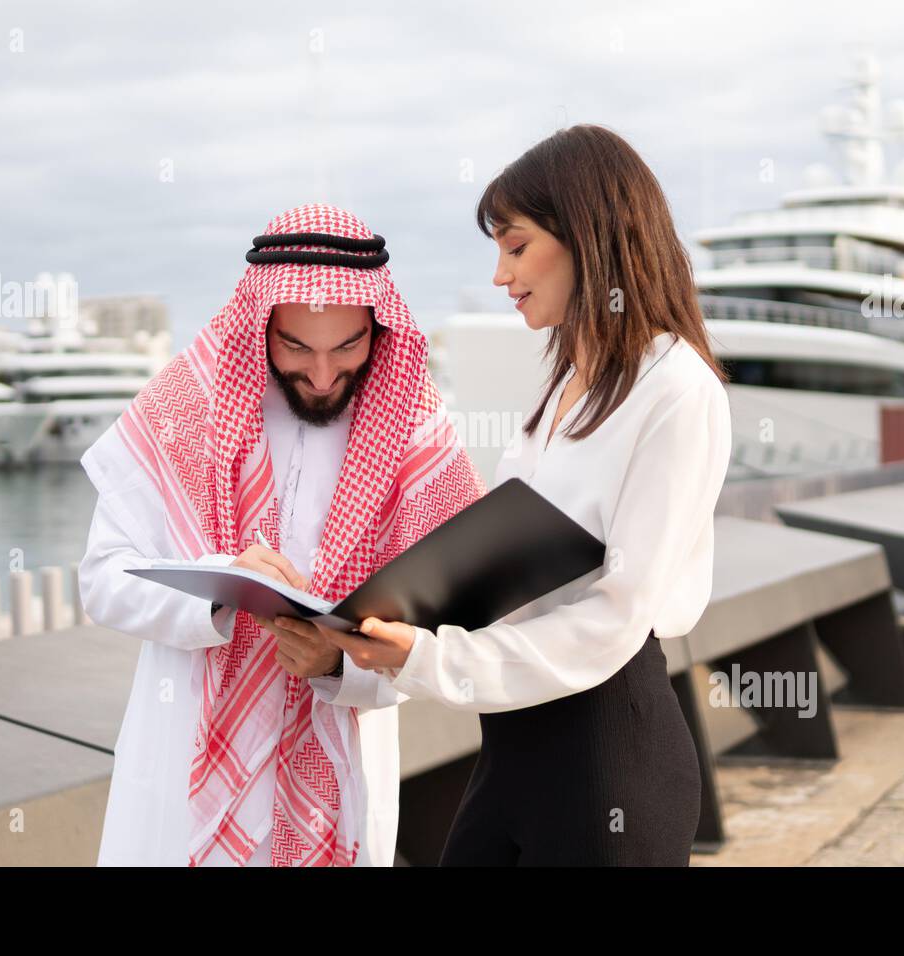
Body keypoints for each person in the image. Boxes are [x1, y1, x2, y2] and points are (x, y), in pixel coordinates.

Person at [273, 126, 733, 865]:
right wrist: (353, 653)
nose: (499, 274)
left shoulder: (677, 390)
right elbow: (504, 590)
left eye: (515, 247)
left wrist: (425, 660)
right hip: (510, 755)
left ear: (590, 236)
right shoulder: (559, 392)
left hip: (608, 763)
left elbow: (617, 616)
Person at [77, 203, 484, 867]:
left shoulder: (416, 436)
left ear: (377, 328)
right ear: (260, 323)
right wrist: (220, 586)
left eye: (347, 347)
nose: (323, 375)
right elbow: (101, 579)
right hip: (185, 760)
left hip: (341, 763)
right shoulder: (185, 409)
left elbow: (443, 625)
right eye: (296, 347)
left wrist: (339, 664)